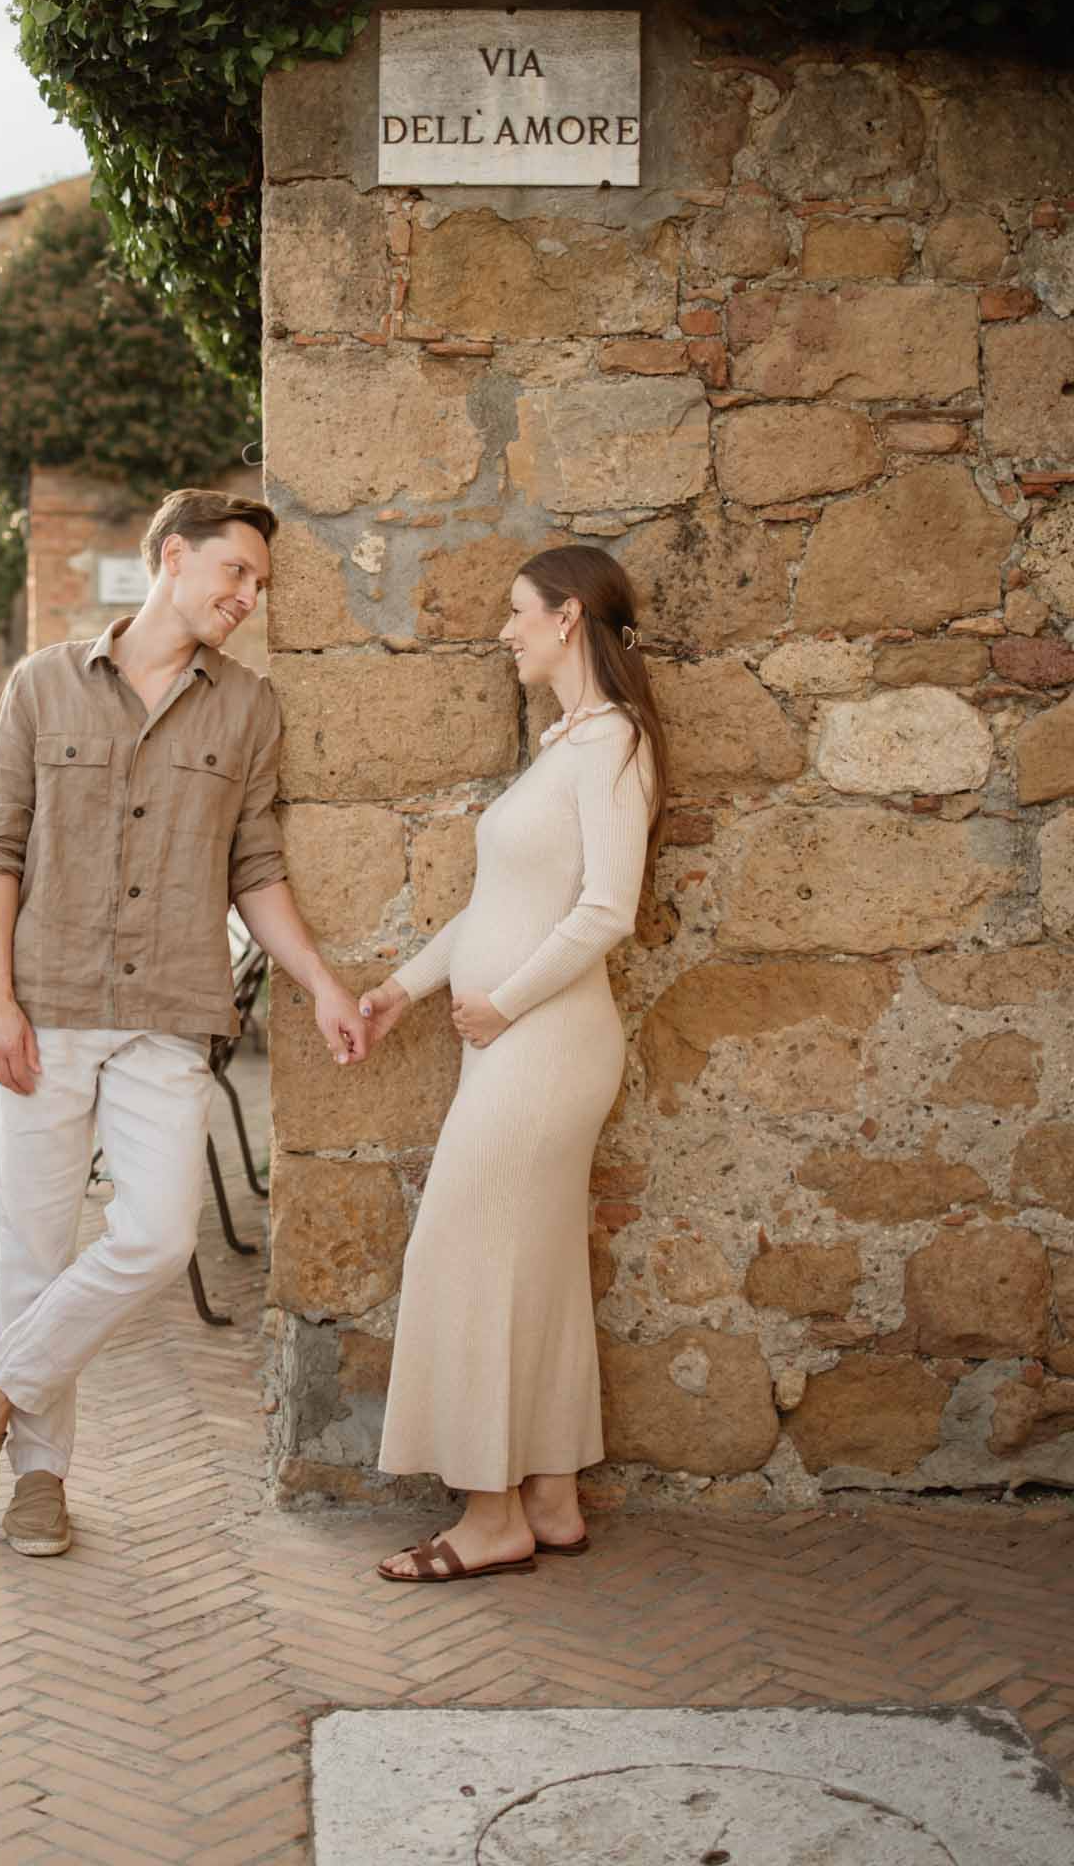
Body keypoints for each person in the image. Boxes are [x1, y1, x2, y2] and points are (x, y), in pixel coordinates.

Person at [0, 488, 370, 1558]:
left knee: (155, 1232)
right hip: (47, 1005)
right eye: (237, 574)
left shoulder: (248, 709)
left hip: (170, 1014)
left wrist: (316, 981)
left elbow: (255, 869)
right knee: (37, 1253)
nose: (248, 598)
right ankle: (41, 1483)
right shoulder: (41, 685)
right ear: (173, 559)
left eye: (260, 585)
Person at [361, 544, 667, 1584]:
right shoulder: (563, 745)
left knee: (470, 1255)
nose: (505, 631)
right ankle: (550, 1497)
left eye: (517, 613)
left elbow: (606, 912)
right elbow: (500, 909)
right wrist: (405, 988)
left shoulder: (614, 745)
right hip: (511, 1044)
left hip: (547, 1047)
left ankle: (490, 1518)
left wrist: (503, 1002)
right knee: (528, 1266)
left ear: (568, 616)